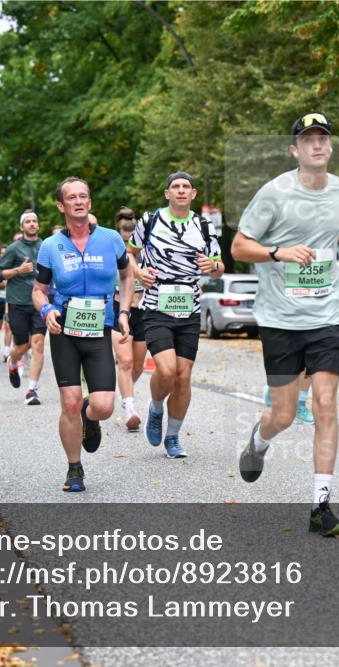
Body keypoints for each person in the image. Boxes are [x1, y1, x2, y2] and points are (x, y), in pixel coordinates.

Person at [231, 111, 339, 537]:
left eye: (323, 138)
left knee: (324, 404)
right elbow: (239, 246)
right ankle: (259, 441)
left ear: (330, 147)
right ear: (295, 149)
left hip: (325, 317)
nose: (317, 145)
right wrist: (278, 252)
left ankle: (321, 506)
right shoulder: (273, 193)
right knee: (282, 414)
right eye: (308, 139)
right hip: (280, 320)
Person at [33, 177, 132, 492]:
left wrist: (125, 311)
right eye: (71, 197)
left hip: (98, 329)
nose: (78, 201)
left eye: (83, 196)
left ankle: (91, 419)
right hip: (64, 330)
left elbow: (128, 275)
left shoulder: (111, 239)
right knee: (70, 401)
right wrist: (46, 310)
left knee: (103, 406)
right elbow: (39, 290)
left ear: (89, 202)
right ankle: (74, 468)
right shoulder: (51, 247)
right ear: (61, 206)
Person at [130, 172, 225, 459]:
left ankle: (172, 436)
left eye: (186, 187)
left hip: (190, 309)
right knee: (167, 370)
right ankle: (156, 407)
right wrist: (138, 272)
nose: (181, 191)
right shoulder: (149, 221)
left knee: (183, 378)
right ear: (167, 193)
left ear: (193, 194)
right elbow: (129, 253)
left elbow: (219, 265)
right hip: (157, 305)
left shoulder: (204, 226)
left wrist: (213, 265)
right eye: (176, 187)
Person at [0, 211, 46, 404]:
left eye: (35, 221)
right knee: (22, 345)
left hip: (40, 302)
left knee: (38, 344)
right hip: (18, 302)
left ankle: (32, 390)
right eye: (28, 221)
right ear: (22, 227)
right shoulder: (14, 249)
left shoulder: (46, 246)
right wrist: (18, 270)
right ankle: (12, 359)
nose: (32, 224)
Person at [112, 207, 146, 432]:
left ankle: (126, 395)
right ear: (118, 228)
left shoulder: (145, 251)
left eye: (132, 228)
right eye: (125, 228)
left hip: (143, 310)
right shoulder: (112, 249)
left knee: (138, 365)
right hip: (117, 307)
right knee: (124, 362)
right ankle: (130, 409)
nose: (129, 232)